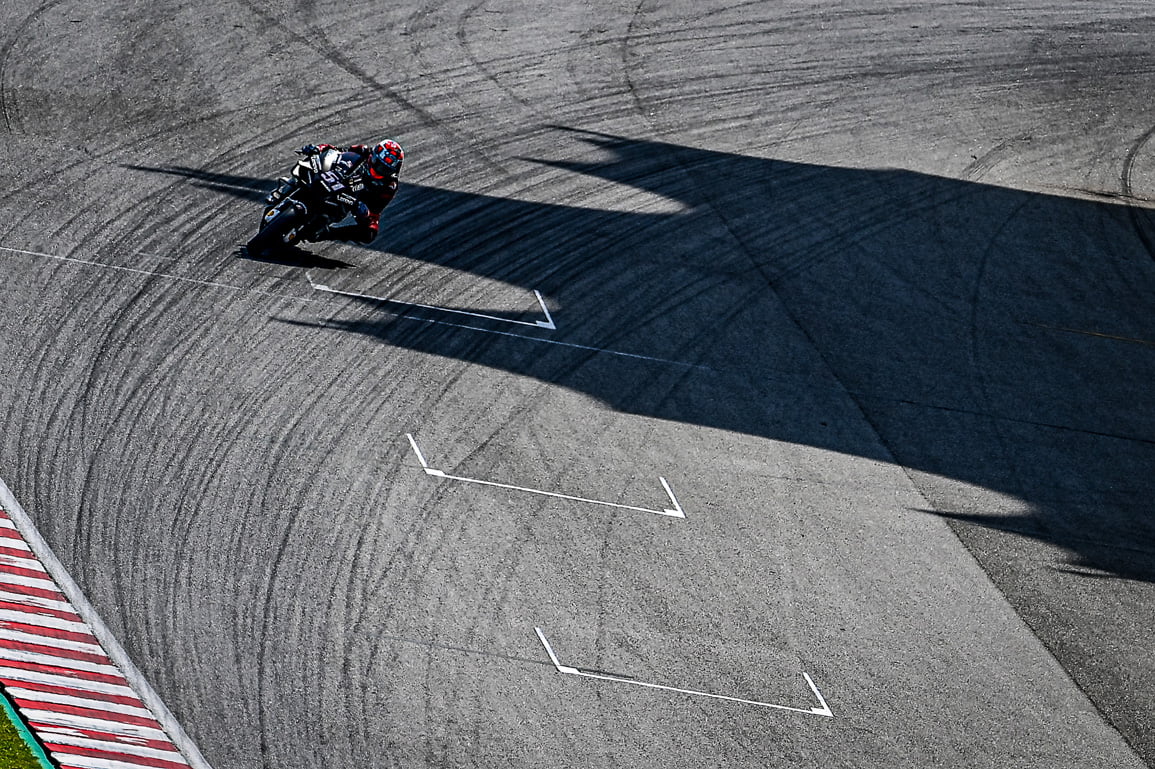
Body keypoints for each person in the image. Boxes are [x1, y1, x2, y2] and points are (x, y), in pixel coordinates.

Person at [291, 139, 403, 244]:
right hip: (334, 176)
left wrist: (365, 213)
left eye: (386, 170)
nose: (381, 171)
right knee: (310, 163)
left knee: (369, 234)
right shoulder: (363, 150)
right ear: (373, 157)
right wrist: (317, 149)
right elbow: (336, 151)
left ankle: (326, 233)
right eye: (379, 166)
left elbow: (375, 212)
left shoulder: (389, 186)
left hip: (351, 199)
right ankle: (290, 186)